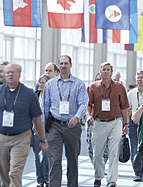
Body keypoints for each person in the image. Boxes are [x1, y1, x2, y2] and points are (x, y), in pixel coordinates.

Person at [0, 63, 47, 187]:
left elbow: (37, 119)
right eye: (8, 72)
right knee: (3, 177)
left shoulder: (29, 94)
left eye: (13, 72)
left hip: (21, 138)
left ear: (19, 74)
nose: (10, 75)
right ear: (4, 75)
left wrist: (43, 140)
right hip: (0, 137)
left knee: (14, 174)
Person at [41, 55, 88, 187]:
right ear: (58, 65)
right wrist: (42, 127)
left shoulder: (78, 84)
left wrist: (77, 117)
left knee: (72, 160)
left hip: (72, 126)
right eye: (61, 63)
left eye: (66, 63)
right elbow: (44, 106)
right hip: (55, 125)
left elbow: (84, 103)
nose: (63, 66)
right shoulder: (50, 84)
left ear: (70, 65)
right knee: (54, 159)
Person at [86, 62, 129, 187]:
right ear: (100, 72)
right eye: (103, 69)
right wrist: (88, 116)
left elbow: (124, 107)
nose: (105, 72)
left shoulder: (119, 87)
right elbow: (87, 105)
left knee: (114, 152)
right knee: (97, 153)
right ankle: (98, 176)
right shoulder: (93, 87)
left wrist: (125, 124)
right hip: (98, 123)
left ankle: (111, 181)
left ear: (111, 72)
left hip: (115, 122)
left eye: (108, 69)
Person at [127, 71, 143, 182]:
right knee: (135, 148)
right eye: (138, 78)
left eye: (142, 78)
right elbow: (127, 110)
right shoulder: (131, 93)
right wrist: (125, 124)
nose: (139, 79)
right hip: (134, 124)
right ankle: (137, 173)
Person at [33, 74, 52, 187]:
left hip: (48, 128)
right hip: (35, 129)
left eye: (43, 82)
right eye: (39, 82)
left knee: (47, 155)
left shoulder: (51, 96)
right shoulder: (35, 95)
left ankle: (48, 178)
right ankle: (40, 180)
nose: (40, 84)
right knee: (37, 155)